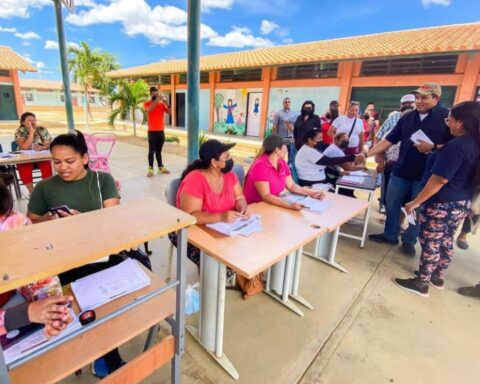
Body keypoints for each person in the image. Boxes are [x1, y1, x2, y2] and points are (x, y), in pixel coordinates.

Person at [26, 130, 124, 378]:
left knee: (116, 297)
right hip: (64, 258)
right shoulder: (44, 187)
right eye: (56, 162)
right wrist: (50, 219)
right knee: (87, 302)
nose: (62, 167)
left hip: (101, 252)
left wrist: (83, 221)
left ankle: (104, 351)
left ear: (84, 158)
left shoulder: (102, 181)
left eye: (69, 161)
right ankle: (111, 358)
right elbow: (32, 222)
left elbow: (113, 219)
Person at [394, 101, 480, 297]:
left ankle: (421, 283)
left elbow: (439, 179)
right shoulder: (473, 144)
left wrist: (415, 202)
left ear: (460, 122)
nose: (447, 122)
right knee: (446, 239)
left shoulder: (456, 146)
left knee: (431, 240)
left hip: (441, 202)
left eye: (449, 119)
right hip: (460, 201)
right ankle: (436, 276)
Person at [366, 83, 451, 256]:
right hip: (401, 170)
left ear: (436, 98)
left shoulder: (446, 117)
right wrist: (367, 153)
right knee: (391, 203)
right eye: (417, 97)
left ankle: (409, 240)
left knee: (415, 209)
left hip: (426, 174)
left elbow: (455, 146)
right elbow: (389, 139)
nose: (418, 101)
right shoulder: (407, 117)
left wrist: (434, 146)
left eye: (424, 98)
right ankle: (390, 234)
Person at [0, 174, 73, 338]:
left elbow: (36, 268)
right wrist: (26, 313)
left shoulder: (13, 221)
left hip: (12, 298)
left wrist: (52, 307)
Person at [175, 139, 249, 268]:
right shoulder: (195, 180)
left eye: (229, 155)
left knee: (246, 250)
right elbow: (190, 216)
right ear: (214, 162)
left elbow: (239, 197)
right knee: (224, 264)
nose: (229, 159)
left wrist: (243, 207)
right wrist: (221, 217)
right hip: (194, 233)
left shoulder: (229, 175)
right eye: (225, 156)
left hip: (224, 230)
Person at [244, 134, 326, 209]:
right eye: (285, 146)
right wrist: (289, 205)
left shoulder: (281, 162)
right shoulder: (260, 166)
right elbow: (266, 195)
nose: (287, 149)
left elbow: (291, 186)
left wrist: (311, 193)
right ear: (277, 150)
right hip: (256, 207)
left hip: (272, 204)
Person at [375, 94, 416, 214]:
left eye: (410, 103)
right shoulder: (393, 118)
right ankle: (385, 206)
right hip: (392, 162)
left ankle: (399, 217)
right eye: (404, 104)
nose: (407, 106)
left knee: (406, 194)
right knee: (388, 187)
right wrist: (379, 158)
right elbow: (380, 137)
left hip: (411, 165)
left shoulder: (421, 120)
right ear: (400, 105)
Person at [294, 129, 365, 187]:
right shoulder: (307, 151)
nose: (322, 140)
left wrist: (338, 173)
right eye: (319, 138)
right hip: (311, 183)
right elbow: (329, 161)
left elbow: (322, 166)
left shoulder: (311, 150)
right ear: (310, 140)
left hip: (318, 180)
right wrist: (352, 157)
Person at [14, 112, 53, 194]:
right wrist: (31, 132)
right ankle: (32, 192)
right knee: (24, 164)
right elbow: (25, 147)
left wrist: (42, 147)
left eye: (34, 120)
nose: (32, 122)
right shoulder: (19, 132)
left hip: (40, 156)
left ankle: (47, 190)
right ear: (23, 122)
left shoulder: (42, 129)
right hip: (26, 157)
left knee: (46, 163)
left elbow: (48, 143)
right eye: (29, 120)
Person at [144, 87, 170, 177]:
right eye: (155, 94)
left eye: (157, 93)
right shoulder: (147, 103)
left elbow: (170, 112)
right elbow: (149, 110)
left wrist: (167, 104)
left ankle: (160, 168)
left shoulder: (161, 105)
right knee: (151, 151)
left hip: (160, 131)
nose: (156, 95)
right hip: (152, 132)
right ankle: (150, 169)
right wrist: (156, 101)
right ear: (151, 94)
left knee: (159, 152)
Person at [272, 97, 298, 163]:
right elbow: (275, 126)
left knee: (291, 153)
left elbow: (296, 126)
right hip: (281, 137)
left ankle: (289, 167)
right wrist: (274, 137)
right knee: (279, 154)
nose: (287, 103)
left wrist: (295, 137)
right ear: (283, 103)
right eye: (285, 102)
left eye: (288, 102)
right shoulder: (278, 113)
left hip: (290, 138)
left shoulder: (294, 113)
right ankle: (278, 166)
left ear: (290, 103)